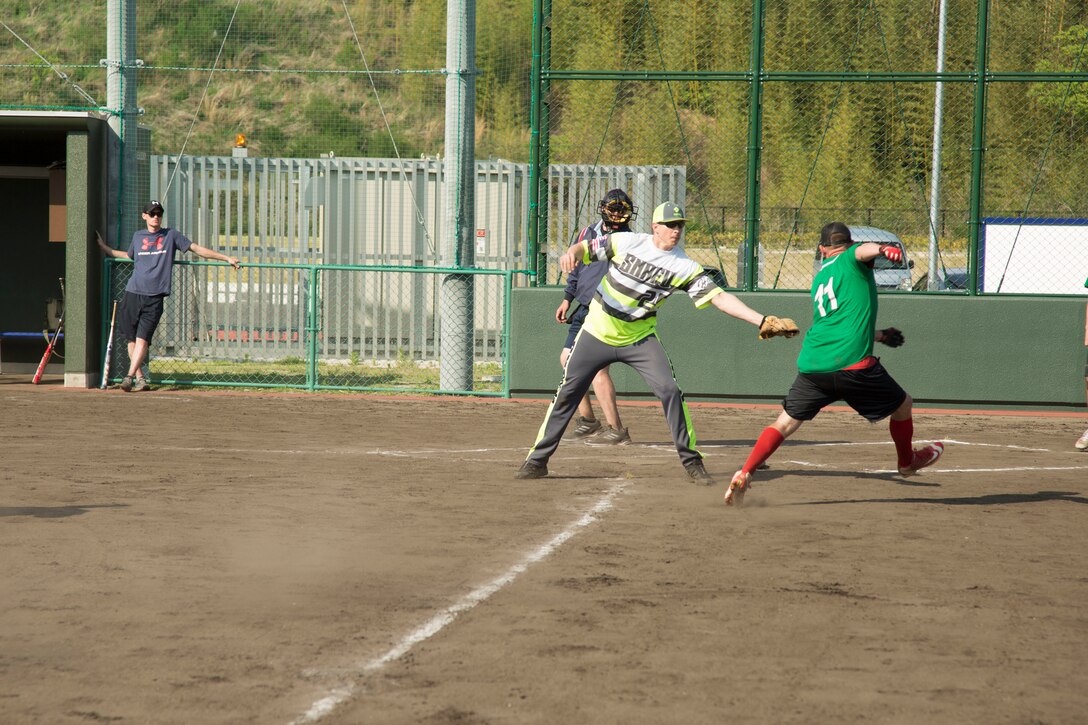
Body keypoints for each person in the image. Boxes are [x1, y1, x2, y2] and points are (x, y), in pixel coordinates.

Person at [516, 201, 799, 484]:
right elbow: (584, 248)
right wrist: (571, 253)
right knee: (567, 392)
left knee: (669, 391)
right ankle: (537, 461)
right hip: (597, 331)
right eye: (670, 225)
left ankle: (692, 462)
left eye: (680, 225)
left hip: (639, 338)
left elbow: (719, 298)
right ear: (655, 226)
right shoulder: (628, 242)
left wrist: (761, 320)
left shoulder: (684, 265)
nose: (676, 230)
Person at [724, 222, 944, 506]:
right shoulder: (852, 257)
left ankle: (745, 471)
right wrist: (882, 249)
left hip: (814, 365)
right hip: (853, 366)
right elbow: (863, 252)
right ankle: (907, 462)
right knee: (903, 405)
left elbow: (839, 322)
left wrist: (878, 335)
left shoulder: (819, 279)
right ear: (848, 244)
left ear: (822, 249)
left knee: (785, 423)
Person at [97, 200, 240, 392]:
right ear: (144, 216)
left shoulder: (171, 235)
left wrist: (226, 258)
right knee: (132, 339)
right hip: (133, 293)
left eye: (159, 213)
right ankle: (139, 378)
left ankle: (129, 377)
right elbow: (129, 256)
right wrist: (104, 248)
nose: (156, 217)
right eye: (152, 213)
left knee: (143, 339)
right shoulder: (138, 236)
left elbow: (197, 249)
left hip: (154, 296)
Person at [556, 189, 635, 445]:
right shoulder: (587, 233)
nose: (617, 214)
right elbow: (576, 269)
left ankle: (617, 429)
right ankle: (588, 420)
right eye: (613, 209)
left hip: (606, 310)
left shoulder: (628, 240)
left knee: (598, 368)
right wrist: (567, 298)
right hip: (584, 306)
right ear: (603, 209)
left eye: (622, 210)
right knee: (567, 360)